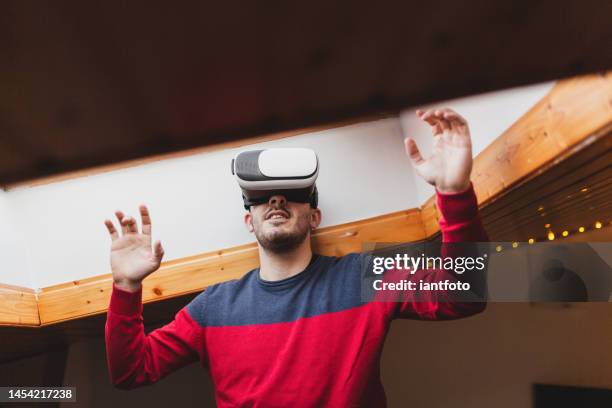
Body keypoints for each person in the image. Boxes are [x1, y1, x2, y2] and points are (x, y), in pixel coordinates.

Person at [104, 108, 488, 407]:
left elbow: (465, 294)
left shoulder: (362, 277)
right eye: (260, 197)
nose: (275, 199)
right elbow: (131, 372)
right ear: (249, 222)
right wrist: (126, 286)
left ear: (314, 217)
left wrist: (455, 193)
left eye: (292, 192)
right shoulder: (213, 308)